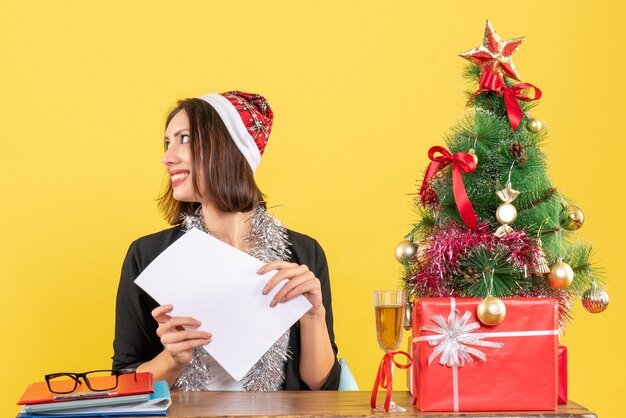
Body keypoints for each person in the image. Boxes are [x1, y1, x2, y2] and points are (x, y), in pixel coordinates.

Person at [112, 91, 340, 391]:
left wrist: (313, 315)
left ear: (228, 149)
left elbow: (322, 385)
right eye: (167, 143)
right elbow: (124, 380)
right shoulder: (149, 255)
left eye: (184, 139)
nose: (167, 157)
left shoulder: (302, 253)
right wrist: (172, 359)